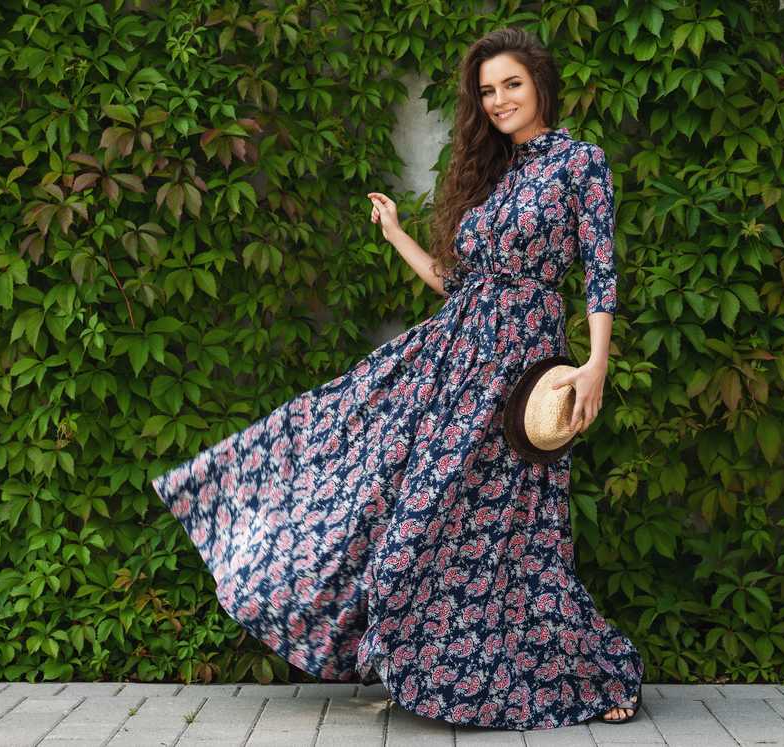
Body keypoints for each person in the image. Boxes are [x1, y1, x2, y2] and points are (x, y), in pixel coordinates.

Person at [150, 26, 643, 732]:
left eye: (511, 84)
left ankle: (598, 671)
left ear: (539, 83)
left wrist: (595, 364)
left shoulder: (579, 163)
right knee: (364, 467)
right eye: (486, 90)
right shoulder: (492, 171)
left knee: (521, 537)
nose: (499, 100)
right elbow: (461, 284)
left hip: (521, 376)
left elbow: (600, 270)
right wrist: (399, 237)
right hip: (449, 365)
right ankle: (458, 677)